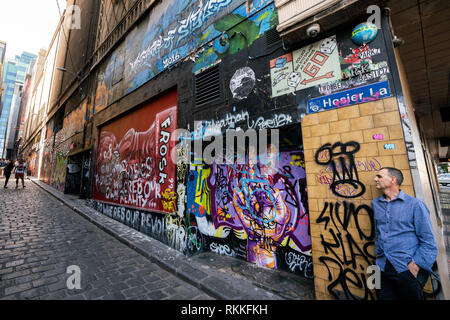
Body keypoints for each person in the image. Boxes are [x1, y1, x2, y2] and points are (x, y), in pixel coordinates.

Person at [372, 167, 438, 300]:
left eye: (379, 176)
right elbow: (378, 232)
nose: (375, 179)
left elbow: (429, 241)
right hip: (380, 266)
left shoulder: (415, 205)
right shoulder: (375, 203)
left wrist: (416, 265)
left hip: (406, 268)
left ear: (393, 179)